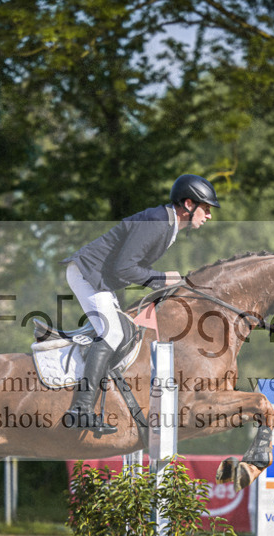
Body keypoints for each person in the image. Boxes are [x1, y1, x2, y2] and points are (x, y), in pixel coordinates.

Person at [61, 174, 220, 431]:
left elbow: (129, 267)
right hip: (87, 274)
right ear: (189, 204)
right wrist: (162, 278)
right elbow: (125, 269)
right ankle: (80, 408)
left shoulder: (167, 224)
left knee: (125, 333)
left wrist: (163, 282)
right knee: (112, 334)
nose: (209, 215)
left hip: (99, 278)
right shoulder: (158, 222)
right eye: (206, 208)